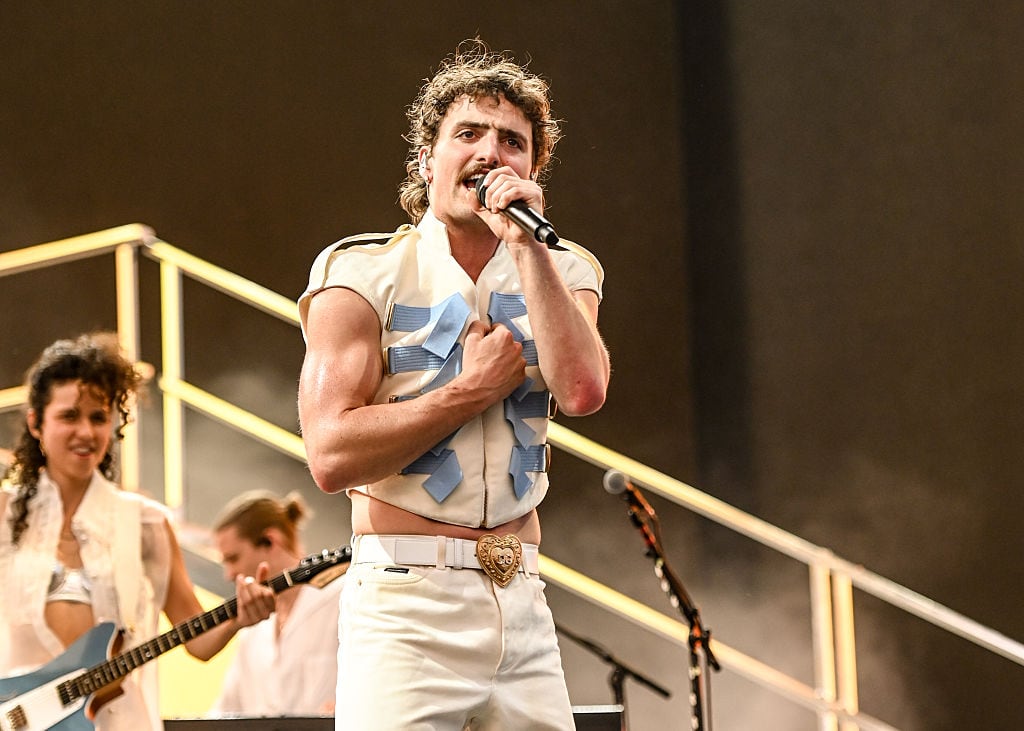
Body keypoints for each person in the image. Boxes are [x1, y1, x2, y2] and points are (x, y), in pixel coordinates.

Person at [297, 40, 610, 730]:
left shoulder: (565, 267)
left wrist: (527, 246)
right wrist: (466, 393)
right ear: (426, 161)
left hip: (521, 591)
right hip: (406, 600)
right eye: (466, 133)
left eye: (512, 141)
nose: (490, 152)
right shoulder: (360, 273)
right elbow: (329, 453)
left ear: (533, 167)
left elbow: (583, 389)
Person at [0, 332, 276, 731]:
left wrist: (239, 616)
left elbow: (197, 641)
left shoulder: (145, 523)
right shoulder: (3, 512)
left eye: (99, 417)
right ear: (36, 422)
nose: (86, 432)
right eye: (69, 416)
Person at [209, 489, 341, 717]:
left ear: (270, 541)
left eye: (233, 558)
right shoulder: (252, 629)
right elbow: (224, 712)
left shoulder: (341, 600)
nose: (228, 574)